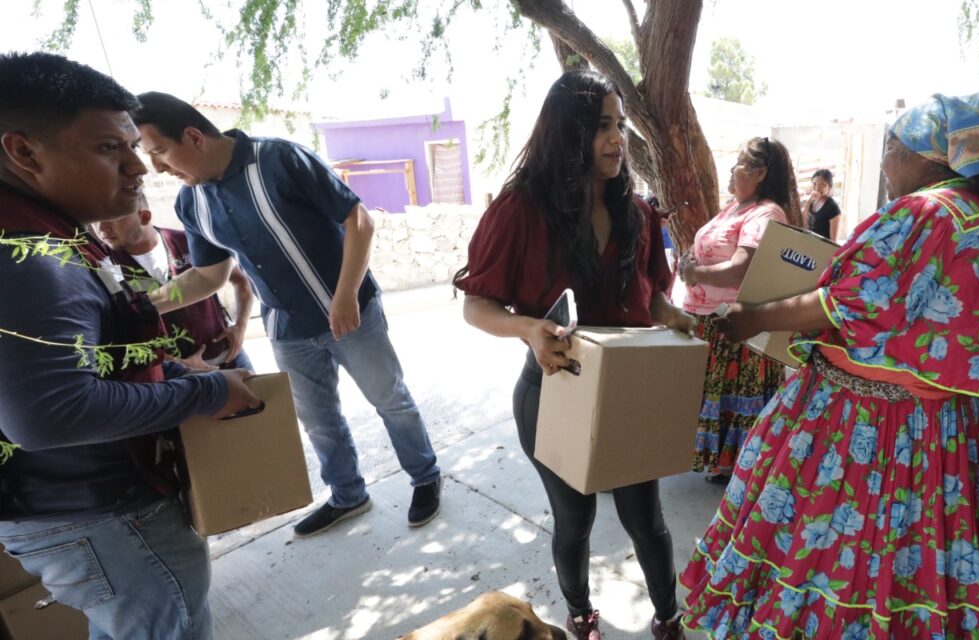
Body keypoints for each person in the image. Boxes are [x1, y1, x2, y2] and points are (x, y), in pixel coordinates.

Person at [679, 89, 979, 638]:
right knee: (913, 552)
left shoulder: (927, 211)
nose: (884, 165)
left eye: (890, 149)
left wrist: (754, 317)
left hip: (872, 426)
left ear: (923, 155)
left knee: (840, 546)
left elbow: (849, 301)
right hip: (942, 431)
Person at [0, 52, 260, 640]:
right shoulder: (30, 258)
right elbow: (49, 415)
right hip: (97, 511)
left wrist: (173, 370)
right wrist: (207, 391)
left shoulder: (48, 240)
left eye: (136, 147)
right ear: (24, 152)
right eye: (108, 148)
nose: (140, 167)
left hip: (76, 507)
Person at [131, 92, 443, 537]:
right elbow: (207, 278)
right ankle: (348, 495)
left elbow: (360, 220)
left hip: (351, 315)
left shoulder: (279, 158)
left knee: (390, 400)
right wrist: (143, 305)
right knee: (318, 420)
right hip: (287, 329)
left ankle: (425, 476)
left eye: (158, 151)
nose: (157, 167)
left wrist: (346, 295)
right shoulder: (191, 204)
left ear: (194, 137)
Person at [454, 70, 694, 640]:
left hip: (629, 392)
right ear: (569, 134)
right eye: (602, 127)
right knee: (575, 519)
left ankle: (669, 620)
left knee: (646, 520)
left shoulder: (638, 210)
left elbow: (650, 294)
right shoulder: (519, 210)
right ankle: (582, 616)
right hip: (554, 392)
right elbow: (476, 306)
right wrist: (529, 330)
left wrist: (676, 317)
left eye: (620, 127)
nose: (617, 140)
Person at [679, 136, 803, 484]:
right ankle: (718, 460)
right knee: (711, 395)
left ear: (760, 172)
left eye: (739, 160)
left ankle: (734, 465)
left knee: (729, 396)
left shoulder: (767, 213)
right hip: (706, 321)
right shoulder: (734, 208)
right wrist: (690, 261)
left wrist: (693, 273)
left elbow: (741, 267)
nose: (732, 168)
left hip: (730, 327)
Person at [96, 192, 256, 371]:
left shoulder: (187, 240)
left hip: (229, 356)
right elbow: (118, 325)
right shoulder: (105, 266)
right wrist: (177, 364)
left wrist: (240, 326)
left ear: (144, 216)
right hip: (176, 376)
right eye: (96, 218)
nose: (102, 228)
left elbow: (242, 281)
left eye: (112, 218)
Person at [804, 168, 842, 240]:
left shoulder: (833, 208)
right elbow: (801, 224)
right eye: (814, 184)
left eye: (823, 185)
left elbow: (833, 241)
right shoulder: (810, 202)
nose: (817, 188)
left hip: (821, 248)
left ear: (830, 187)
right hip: (807, 244)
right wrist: (808, 202)